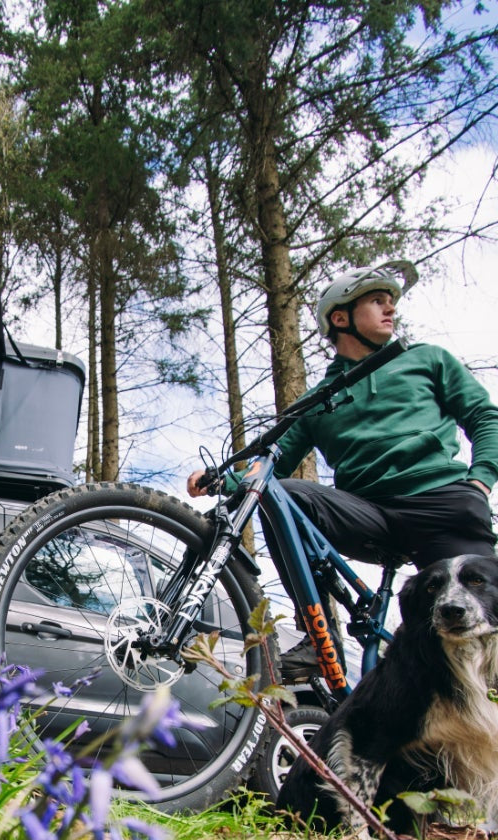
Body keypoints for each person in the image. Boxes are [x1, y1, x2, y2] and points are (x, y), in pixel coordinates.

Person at [186, 261, 498, 680]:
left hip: (442, 504)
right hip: (366, 513)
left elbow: (484, 416)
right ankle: (320, 639)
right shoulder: (321, 397)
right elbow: (273, 465)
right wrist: (223, 481)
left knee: (481, 636)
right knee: (285, 496)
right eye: (377, 301)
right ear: (340, 317)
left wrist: (481, 479)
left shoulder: (427, 359)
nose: (390, 310)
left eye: (391, 303)